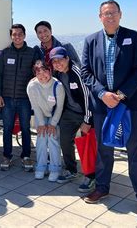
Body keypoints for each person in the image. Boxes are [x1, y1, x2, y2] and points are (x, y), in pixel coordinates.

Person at [81, 0, 137, 218]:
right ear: (99, 16)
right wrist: (103, 94)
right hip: (103, 105)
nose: (110, 16)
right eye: (105, 13)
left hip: (128, 103)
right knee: (104, 149)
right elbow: (86, 72)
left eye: (113, 13)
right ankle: (102, 188)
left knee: (136, 151)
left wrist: (120, 95)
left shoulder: (133, 36)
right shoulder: (91, 40)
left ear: (120, 15)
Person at [49, 46, 95, 191]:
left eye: (60, 60)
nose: (57, 63)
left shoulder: (77, 72)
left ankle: (91, 176)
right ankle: (71, 170)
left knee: (86, 146)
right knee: (65, 140)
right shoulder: (58, 73)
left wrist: (87, 120)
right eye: (54, 61)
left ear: (67, 58)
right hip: (69, 113)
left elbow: (88, 96)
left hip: (85, 114)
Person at [0, 24, 39, 171]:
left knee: (25, 128)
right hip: (7, 98)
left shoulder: (32, 53)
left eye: (20, 34)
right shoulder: (5, 53)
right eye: (14, 34)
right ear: (11, 36)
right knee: (7, 128)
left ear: (24, 35)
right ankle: (7, 156)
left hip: (25, 99)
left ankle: (26, 157)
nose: (17, 37)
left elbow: (37, 75)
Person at [27, 60, 65, 182]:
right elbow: (35, 106)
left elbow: (60, 107)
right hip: (41, 115)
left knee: (53, 138)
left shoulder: (57, 86)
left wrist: (52, 124)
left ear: (50, 71)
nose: (42, 76)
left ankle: (55, 168)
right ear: (35, 74)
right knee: (41, 139)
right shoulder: (32, 86)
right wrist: (42, 124)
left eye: (45, 72)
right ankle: (41, 166)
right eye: (39, 73)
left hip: (54, 115)